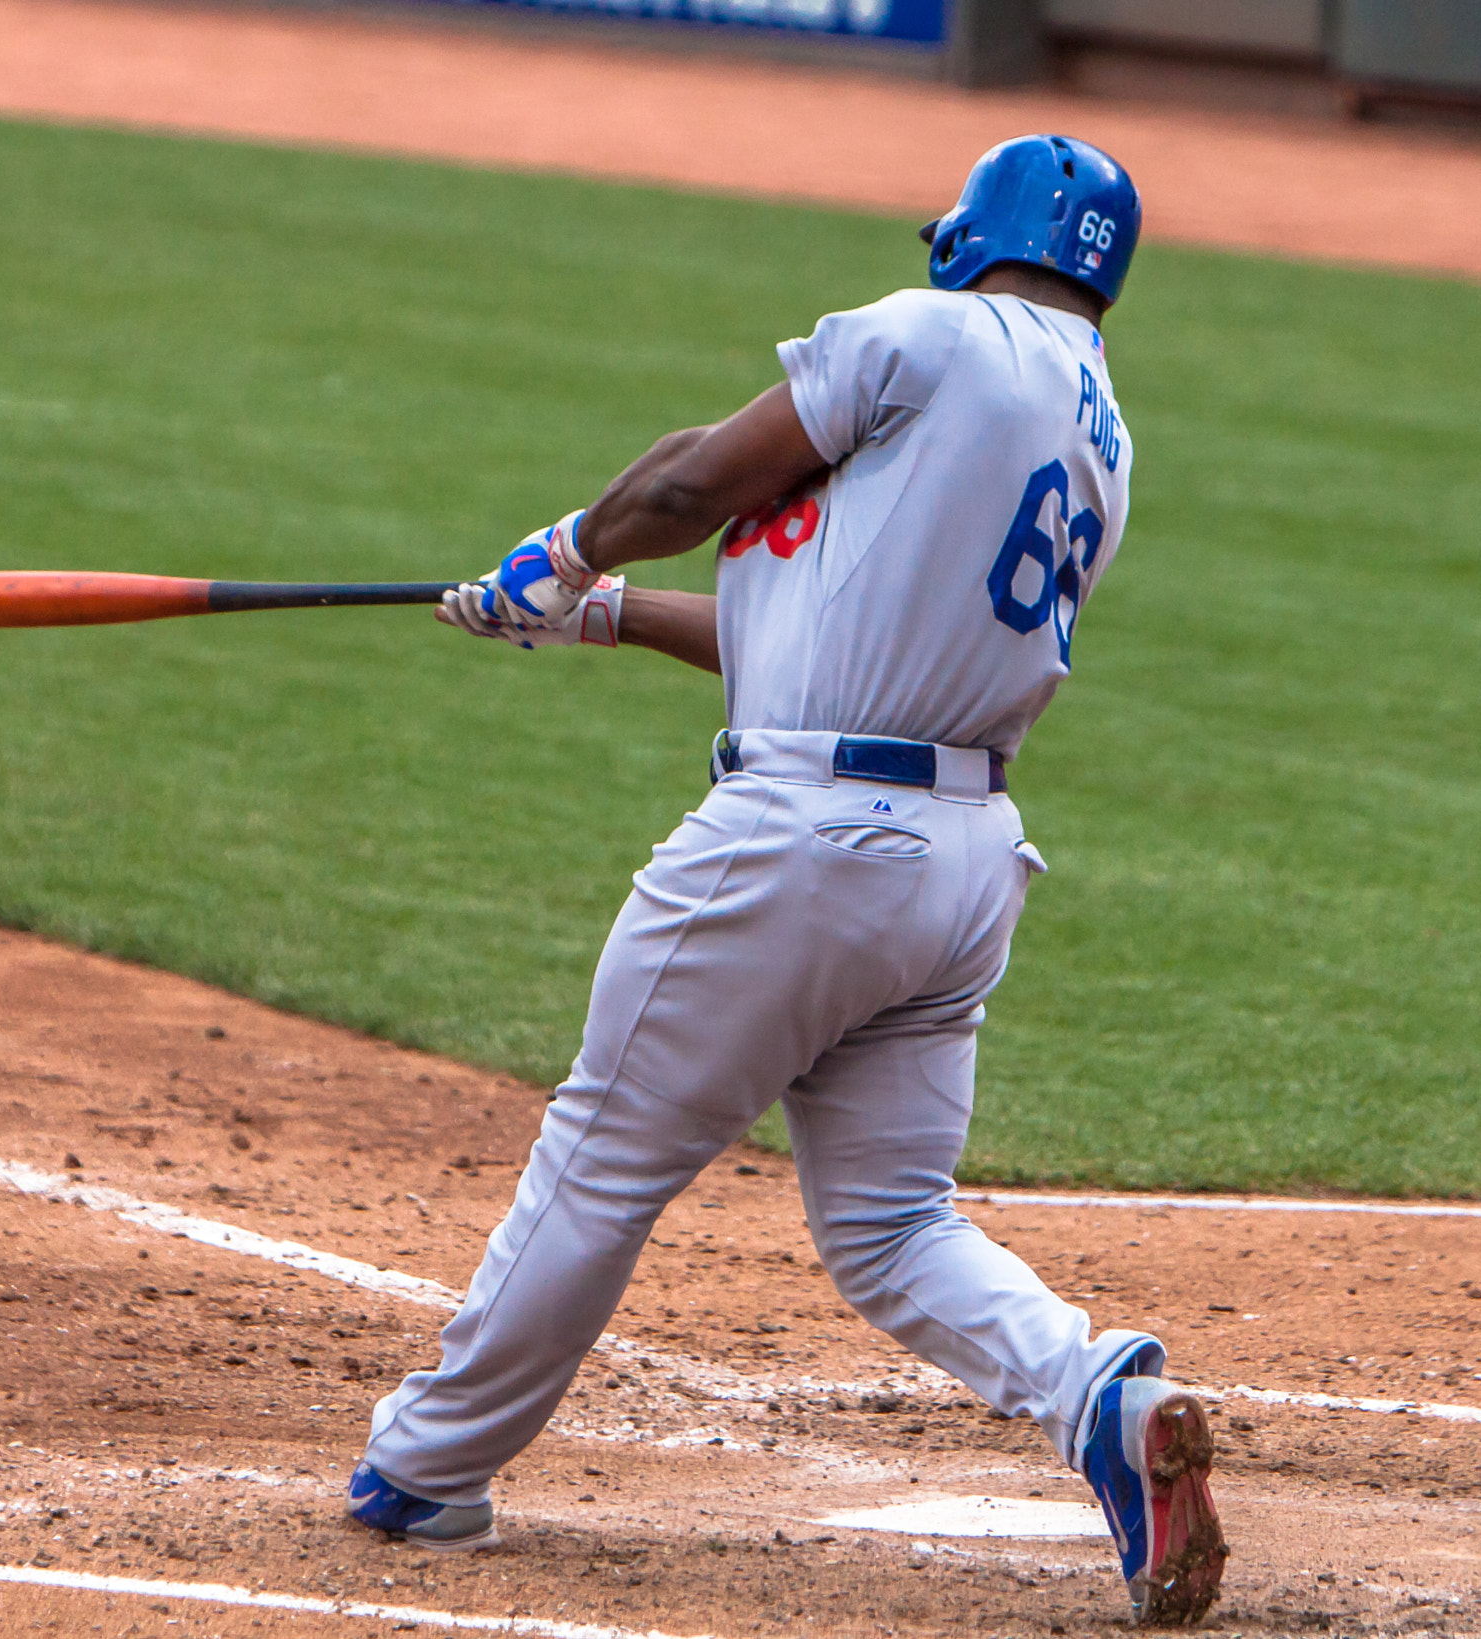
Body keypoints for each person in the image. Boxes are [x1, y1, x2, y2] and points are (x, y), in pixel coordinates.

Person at [346, 134, 1227, 1626]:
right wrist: (609, 615)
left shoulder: (923, 331)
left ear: (978, 231)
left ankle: (431, 1468)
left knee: (607, 1156)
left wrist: (559, 553)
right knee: (892, 1223)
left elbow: (697, 472)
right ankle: (1099, 1399)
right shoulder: (1097, 429)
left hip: (800, 848)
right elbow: (835, 635)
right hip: (955, 869)